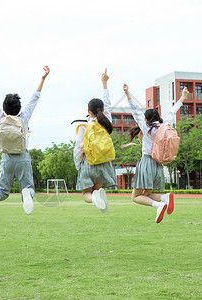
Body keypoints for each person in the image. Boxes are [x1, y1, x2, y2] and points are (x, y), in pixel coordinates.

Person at [0, 66, 50, 214]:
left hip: (6, 158)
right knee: (28, 188)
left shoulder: (1, 117)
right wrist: (43, 78)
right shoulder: (24, 117)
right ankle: (26, 193)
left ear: (4, 108)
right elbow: (35, 97)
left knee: (2, 191)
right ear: (19, 108)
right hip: (22, 157)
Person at [123, 83, 189, 223]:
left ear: (146, 119)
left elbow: (134, 109)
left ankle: (159, 205)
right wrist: (182, 98)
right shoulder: (164, 126)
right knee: (148, 194)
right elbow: (172, 112)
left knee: (135, 197)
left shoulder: (145, 127)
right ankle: (164, 198)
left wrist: (128, 93)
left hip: (146, 162)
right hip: (158, 165)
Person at [73, 68, 117, 213]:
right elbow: (108, 103)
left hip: (89, 163)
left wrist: (79, 165)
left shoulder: (84, 126)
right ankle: (97, 196)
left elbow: (79, 148)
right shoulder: (106, 121)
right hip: (104, 164)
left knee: (87, 194)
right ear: (103, 110)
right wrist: (104, 83)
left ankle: (94, 199)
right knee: (97, 190)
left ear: (88, 111)